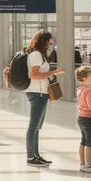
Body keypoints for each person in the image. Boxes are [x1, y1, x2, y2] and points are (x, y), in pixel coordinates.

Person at [20, 30, 64, 167]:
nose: (50, 46)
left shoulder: (39, 55)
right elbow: (35, 75)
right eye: (49, 43)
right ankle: (30, 156)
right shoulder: (36, 55)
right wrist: (54, 72)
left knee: (37, 126)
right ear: (43, 42)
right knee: (33, 126)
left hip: (41, 92)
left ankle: (36, 154)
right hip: (36, 92)